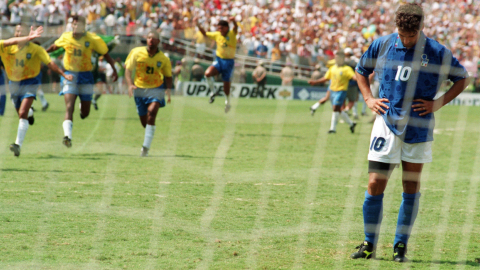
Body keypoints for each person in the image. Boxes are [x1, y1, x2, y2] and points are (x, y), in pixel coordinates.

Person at [352, 3, 470, 262]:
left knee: (411, 186)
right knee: (374, 183)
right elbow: (361, 71)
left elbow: (462, 78)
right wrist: (369, 99)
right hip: (386, 123)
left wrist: (438, 103)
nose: (406, 40)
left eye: (411, 36)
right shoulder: (382, 44)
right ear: (397, 27)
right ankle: (369, 244)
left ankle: (400, 246)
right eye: (402, 35)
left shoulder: (437, 51)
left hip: (419, 125)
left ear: (420, 28)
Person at [46, 16, 118, 148]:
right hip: (69, 75)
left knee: (85, 113)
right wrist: (43, 52)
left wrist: (114, 69)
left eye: (78, 25)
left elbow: (106, 53)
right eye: (73, 24)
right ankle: (67, 136)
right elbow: (55, 46)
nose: (75, 27)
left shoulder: (92, 39)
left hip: (86, 76)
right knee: (69, 106)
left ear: (84, 27)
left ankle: (83, 108)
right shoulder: (66, 37)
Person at [1, 25, 72, 156]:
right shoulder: (4, 47)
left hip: (30, 83)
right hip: (14, 84)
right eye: (17, 32)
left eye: (23, 33)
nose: (19, 34)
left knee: (22, 113)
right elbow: (8, 41)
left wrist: (64, 74)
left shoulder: (36, 49)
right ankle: (31, 113)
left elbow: (50, 63)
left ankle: (17, 145)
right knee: (23, 114)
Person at [125, 31, 172, 157]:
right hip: (139, 90)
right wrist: (130, 84)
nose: (151, 40)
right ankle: (148, 137)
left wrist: (168, 89)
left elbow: (168, 76)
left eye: (154, 38)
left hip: (156, 89)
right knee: (145, 122)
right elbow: (128, 70)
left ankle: (145, 148)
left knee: (152, 113)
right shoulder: (136, 52)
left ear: (158, 42)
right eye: (149, 37)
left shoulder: (163, 58)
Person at [194, 16, 238, 113]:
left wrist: (234, 21)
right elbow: (204, 33)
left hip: (229, 62)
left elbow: (236, 28)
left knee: (226, 85)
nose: (220, 30)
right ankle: (213, 91)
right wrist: (197, 24)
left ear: (227, 27)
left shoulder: (232, 34)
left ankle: (227, 102)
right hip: (219, 60)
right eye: (219, 28)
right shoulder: (217, 34)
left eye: (221, 28)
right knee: (207, 73)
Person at [309, 50, 357, 134]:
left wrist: (363, 79)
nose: (336, 59)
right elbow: (326, 78)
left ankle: (332, 129)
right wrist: (315, 82)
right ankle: (351, 124)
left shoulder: (347, 69)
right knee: (338, 109)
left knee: (335, 108)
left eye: (338, 57)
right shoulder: (333, 68)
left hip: (341, 91)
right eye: (335, 57)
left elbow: (354, 77)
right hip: (332, 90)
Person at [344, 47, 360, 119]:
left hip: (344, 83)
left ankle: (350, 113)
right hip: (352, 83)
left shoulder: (343, 62)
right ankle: (351, 112)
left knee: (345, 100)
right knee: (353, 99)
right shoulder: (354, 61)